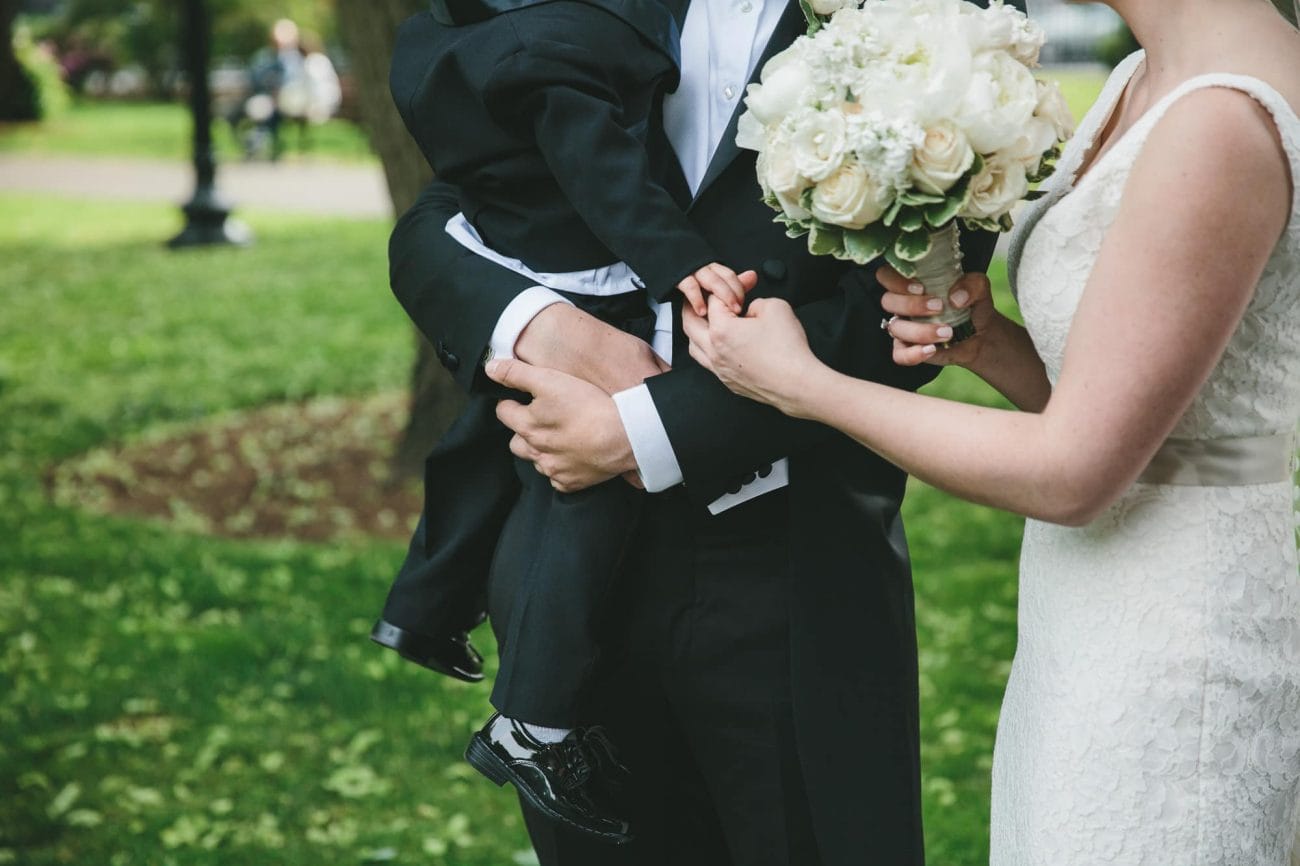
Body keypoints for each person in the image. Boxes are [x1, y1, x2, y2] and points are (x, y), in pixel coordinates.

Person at [663, 0, 1300, 861]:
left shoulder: (1220, 121)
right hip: (1094, 609)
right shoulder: (1145, 76)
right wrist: (989, 345)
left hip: (1178, 636)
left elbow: (1076, 472)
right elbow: (1167, 424)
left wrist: (807, 385)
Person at [384, 0, 1018, 861]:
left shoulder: (941, 21)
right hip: (561, 562)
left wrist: (642, 429)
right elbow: (459, 192)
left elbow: (917, 308)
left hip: (792, 567)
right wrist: (533, 322)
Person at [371, 0, 750, 844]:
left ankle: (422, 607)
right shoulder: (551, 48)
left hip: (509, 243)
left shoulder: (445, 33)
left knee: (483, 438)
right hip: (593, 279)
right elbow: (601, 168)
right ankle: (532, 726)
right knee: (582, 498)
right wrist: (681, 262)